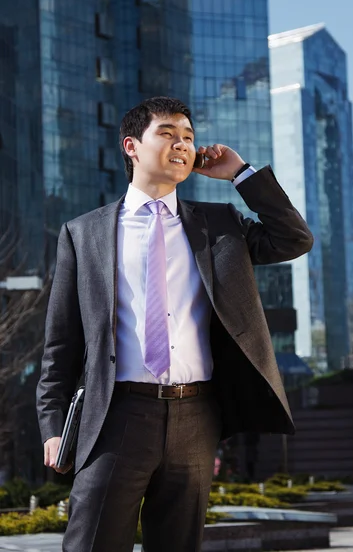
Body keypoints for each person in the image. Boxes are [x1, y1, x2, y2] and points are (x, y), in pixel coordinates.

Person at [37, 96, 313, 552]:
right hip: (116, 415)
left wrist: (241, 175)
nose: (182, 145)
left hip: (196, 417)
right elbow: (61, 342)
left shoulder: (220, 225)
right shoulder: (83, 234)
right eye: (167, 134)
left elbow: (294, 239)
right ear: (132, 146)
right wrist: (52, 424)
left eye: (188, 137)